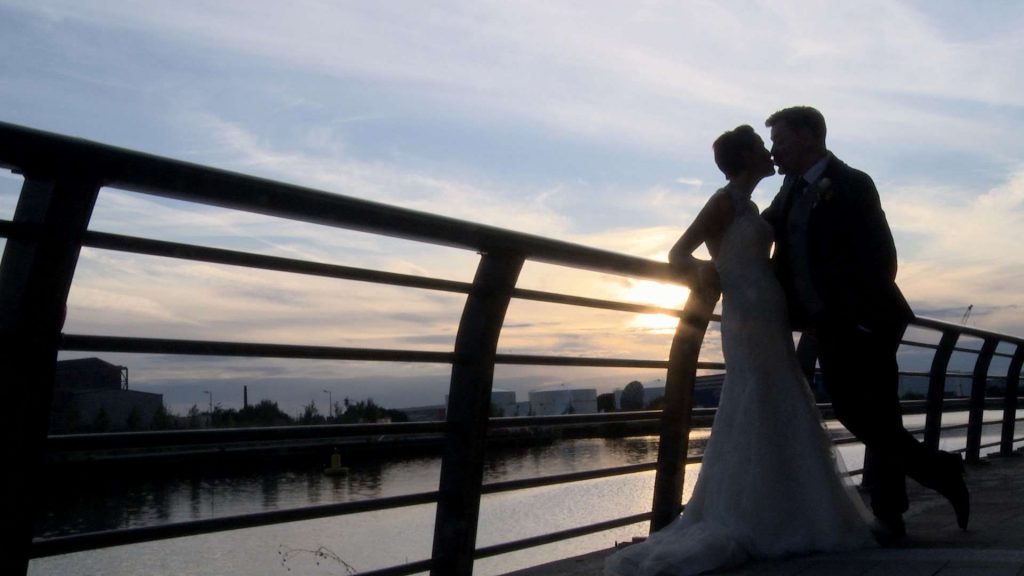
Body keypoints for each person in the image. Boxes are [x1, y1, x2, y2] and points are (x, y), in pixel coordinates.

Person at [604, 125, 875, 576]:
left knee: (779, 399)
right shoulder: (724, 201)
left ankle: (786, 507)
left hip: (767, 310)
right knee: (756, 398)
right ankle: (759, 513)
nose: (771, 153)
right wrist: (714, 275)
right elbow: (679, 253)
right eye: (761, 148)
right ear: (747, 157)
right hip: (746, 314)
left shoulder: (750, 204)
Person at [761, 106, 968, 539]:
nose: (774, 149)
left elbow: (881, 260)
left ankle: (897, 510)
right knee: (873, 418)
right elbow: (764, 233)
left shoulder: (853, 183)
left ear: (807, 136)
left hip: (865, 321)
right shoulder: (789, 191)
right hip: (823, 324)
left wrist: (850, 320)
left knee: (867, 414)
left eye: (780, 140)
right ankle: (929, 482)